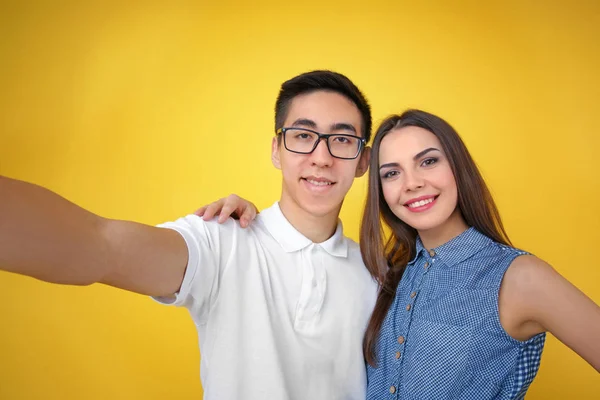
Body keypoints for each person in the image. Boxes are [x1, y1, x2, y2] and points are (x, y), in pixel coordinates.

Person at [0, 70, 379, 400]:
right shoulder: (221, 240)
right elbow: (100, 244)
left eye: (343, 140)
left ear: (363, 161)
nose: (321, 157)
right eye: (302, 135)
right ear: (277, 150)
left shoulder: (379, 276)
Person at [207, 109, 600, 399]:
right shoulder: (386, 275)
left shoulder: (518, 278)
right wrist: (254, 224)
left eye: (428, 161)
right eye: (391, 173)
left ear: (457, 167)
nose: (412, 184)